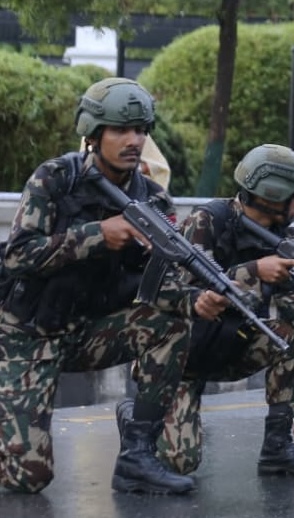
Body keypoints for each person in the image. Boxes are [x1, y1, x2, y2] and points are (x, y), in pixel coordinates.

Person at [0, 77, 225, 495]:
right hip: (27, 335)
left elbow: (160, 285)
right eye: (121, 130)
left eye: (140, 130)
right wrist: (98, 235)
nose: (134, 140)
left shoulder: (153, 201)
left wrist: (196, 298)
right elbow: (18, 256)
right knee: (28, 478)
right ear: (93, 133)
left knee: (172, 325)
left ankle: (137, 455)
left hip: (88, 332)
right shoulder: (55, 179)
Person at [117, 144, 294, 477]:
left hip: (231, 343)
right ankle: (135, 415)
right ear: (272, 194)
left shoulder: (284, 238)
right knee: (180, 462)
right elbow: (176, 291)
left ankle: (277, 447)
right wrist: (254, 271)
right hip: (181, 356)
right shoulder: (208, 221)